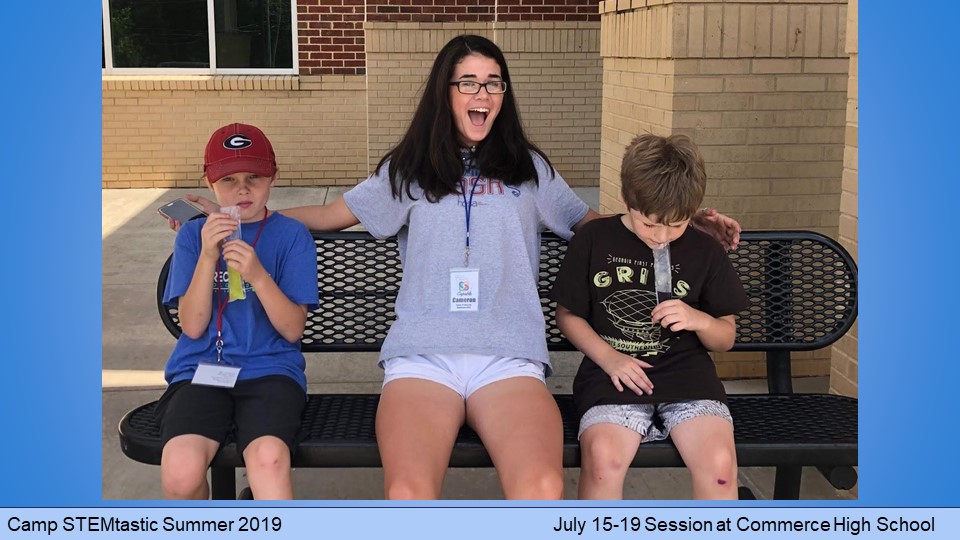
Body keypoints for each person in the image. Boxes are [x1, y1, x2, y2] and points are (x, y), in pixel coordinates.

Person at [174, 35, 741, 499]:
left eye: (493, 82)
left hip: (507, 357)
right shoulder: (408, 168)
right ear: (445, 92)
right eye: (468, 81)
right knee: (409, 495)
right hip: (424, 356)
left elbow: (597, 225)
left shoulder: (529, 169)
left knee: (542, 490)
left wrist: (678, 220)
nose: (483, 93)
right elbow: (328, 216)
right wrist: (232, 218)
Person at [549, 133, 749, 500]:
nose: (661, 237)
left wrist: (699, 320)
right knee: (603, 460)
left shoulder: (704, 248)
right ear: (627, 200)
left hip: (688, 378)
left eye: (677, 225)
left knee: (720, 466)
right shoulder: (594, 240)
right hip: (612, 377)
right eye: (650, 224)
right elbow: (568, 315)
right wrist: (609, 358)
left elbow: (725, 337)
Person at [157, 123, 319, 500]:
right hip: (200, 370)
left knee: (269, 460)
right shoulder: (192, 236)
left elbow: (292, 330)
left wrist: (258, 276)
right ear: (210, 183)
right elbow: (192, 326)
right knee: (180, 470)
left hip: (269, 370)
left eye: (254, 177)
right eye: (228, 179)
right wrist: (207, 255)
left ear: (273, 177)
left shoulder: (292, 235)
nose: (242, 189)